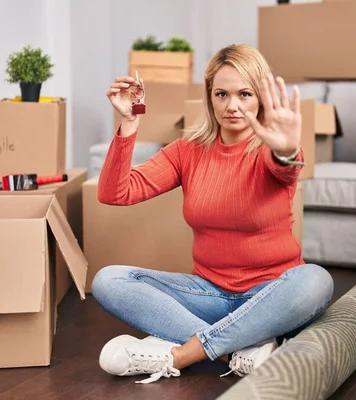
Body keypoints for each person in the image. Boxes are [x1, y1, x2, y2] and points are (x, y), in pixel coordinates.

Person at [92, 44, 334, 385]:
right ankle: (240, 348)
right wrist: (129, 123)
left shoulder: (270, 149)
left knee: (316, 280)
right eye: (221, 94)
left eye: (244, 94)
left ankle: (181, 354)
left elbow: (286, 166)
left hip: (271, 295)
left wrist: (286, 149)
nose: (232, 105)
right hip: (209, 296)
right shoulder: (187, 151)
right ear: (210, 97)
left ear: (260, 98)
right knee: (108, 280)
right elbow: (115, 193)